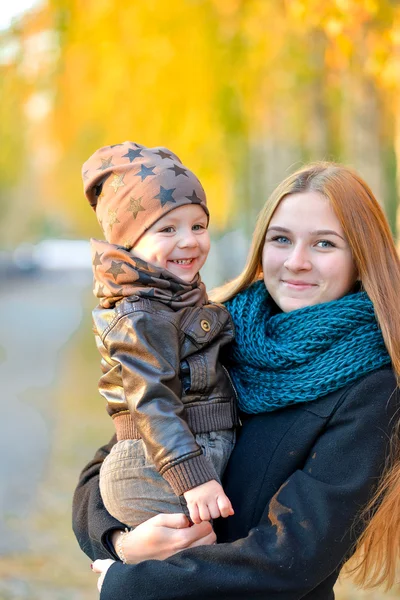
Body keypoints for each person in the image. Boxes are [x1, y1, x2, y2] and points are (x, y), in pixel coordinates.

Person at [73, 161, 400, 599]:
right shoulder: (213, 331)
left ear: (361, 258)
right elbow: (110, 463)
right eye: (281, 239)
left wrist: (132, 582)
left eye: (324, 244)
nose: (297, 262)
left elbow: (291, 557)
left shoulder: (374, 387)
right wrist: (122, 542)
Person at [81, 141, 238, 544]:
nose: (188, 241)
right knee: (190, 564)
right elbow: (153, 400)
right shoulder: (141, 314)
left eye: (197, 226)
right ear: (129, 243)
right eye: (167, 228)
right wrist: (193, 477)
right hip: (154, 469)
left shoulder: (175, 297)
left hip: (177, 462)